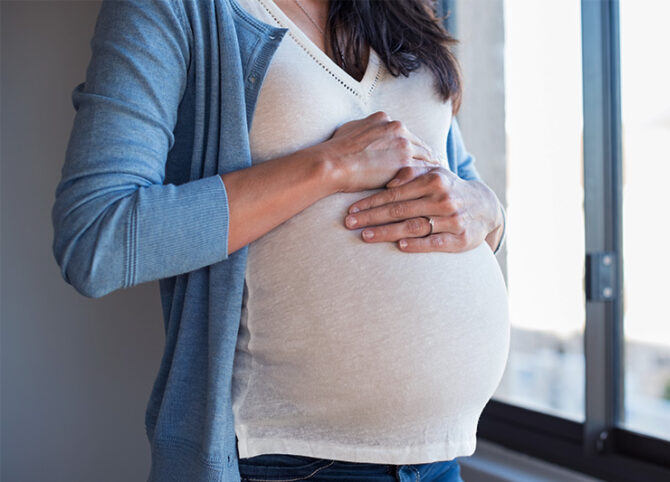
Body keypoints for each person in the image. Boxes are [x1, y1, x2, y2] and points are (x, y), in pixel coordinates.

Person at [51, 0, 509, 480]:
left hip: (437, 460)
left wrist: (488, 210)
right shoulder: (174, 10)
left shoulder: (401, 10)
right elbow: (96, 239)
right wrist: (330, 166)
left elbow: (456, 185)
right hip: (294, 462)